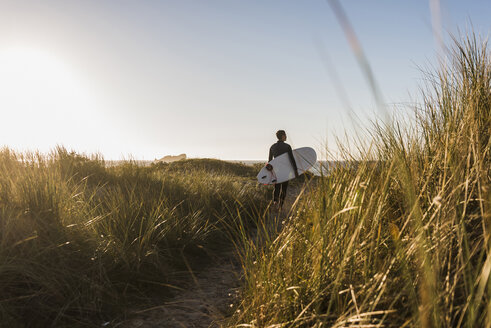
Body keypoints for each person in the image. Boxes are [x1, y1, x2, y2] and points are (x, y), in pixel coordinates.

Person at [268, 130, 298, 208]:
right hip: (285, 170)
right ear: (282, 136)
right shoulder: (287, 146)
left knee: (277, 187)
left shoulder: (272, 147)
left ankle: (275, 202)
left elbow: (270, 161)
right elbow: (291, 159)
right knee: (284, 189)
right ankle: (280, 207)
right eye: (285, 135)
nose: (286, 136)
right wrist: (295, 170)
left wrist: (270, 172)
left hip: (276, 170)